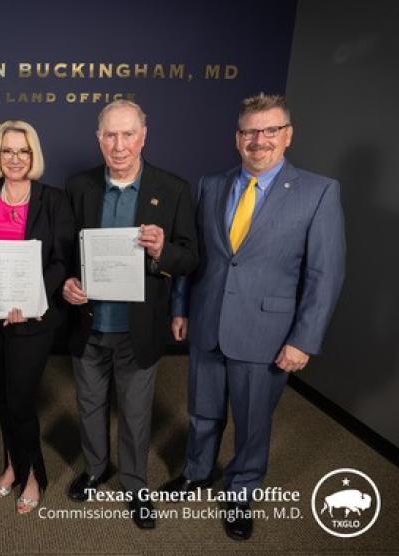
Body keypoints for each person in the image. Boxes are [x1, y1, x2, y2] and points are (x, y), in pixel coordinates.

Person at [161, 93, 345, 541]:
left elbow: (326, 274)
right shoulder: (210, 185)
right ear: (237, 137)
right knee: (202, 412)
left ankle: (241, 490)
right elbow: (194, 255)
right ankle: (197, 472)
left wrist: (304, 340)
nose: (259, 140)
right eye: (249, 131)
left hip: (267, 332)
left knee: (252, 421)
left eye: (270, 130)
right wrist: (180, 306)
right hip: (207, 322)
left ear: (288, 135)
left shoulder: (318, 191)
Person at [62, 100, 197, 529]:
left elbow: (191, 258)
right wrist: (66, 282)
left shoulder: (171, 189)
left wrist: (161, 252)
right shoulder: (78, 186)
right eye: (109, 135)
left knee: (136, 415)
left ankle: (136, 485)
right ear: (98, 139)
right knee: (88, 405)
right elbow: (65, 252)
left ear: (144, 136)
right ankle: (96, 468)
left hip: (137, 327)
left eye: (127, 135)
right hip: (89, 322)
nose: (119, 145)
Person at [0, 121, 74, 514]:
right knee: (3, 397)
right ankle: (12, 466)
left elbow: (62, 261)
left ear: (34, 156)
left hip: (32, 319)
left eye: (23, 151)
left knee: (22, 402)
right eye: (7, 151)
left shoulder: (54, 200)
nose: (15, 158)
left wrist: (30, 300)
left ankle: (33, 475)